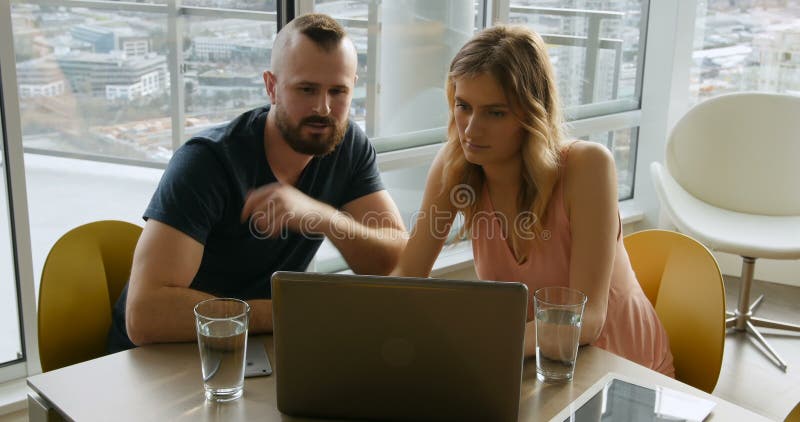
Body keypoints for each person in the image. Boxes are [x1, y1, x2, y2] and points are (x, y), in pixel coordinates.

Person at [108, 13, 407, 352]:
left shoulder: (347, 146)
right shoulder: (207, 163)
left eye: (338, 91)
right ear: (271, 87)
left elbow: (399, 264)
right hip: (157, 359)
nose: (323, 108)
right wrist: (286, 314)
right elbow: (145, 316)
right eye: (306, 89)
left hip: (252, 348)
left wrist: (323, 217)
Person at [391, 25, 675, 376]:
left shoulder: (588, 167)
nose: (470, 129)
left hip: (622, 367)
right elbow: (408, 275)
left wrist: (477, 342)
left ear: (531, 113)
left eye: (495, 112)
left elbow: (586, 322)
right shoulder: (456, 164)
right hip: (534, 362)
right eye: (464, 106)